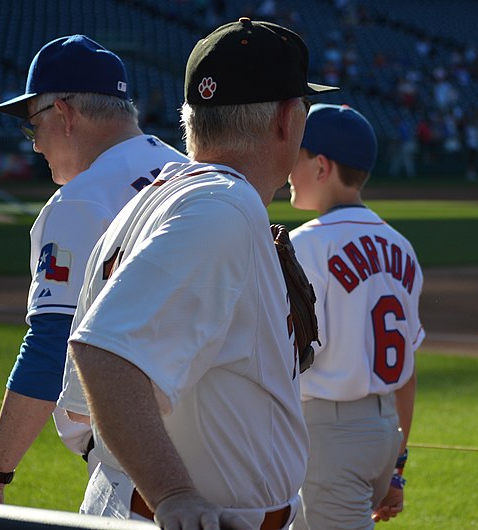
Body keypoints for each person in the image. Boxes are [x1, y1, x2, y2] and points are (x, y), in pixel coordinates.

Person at [57, 17, 339, 529]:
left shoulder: (158, 198)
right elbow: (103, 352)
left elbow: (79, 409)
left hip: (132, 500)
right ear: (287, 120)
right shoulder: (222, 207)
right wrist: (174, 494)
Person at [0, 35, 188, 504]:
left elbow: (51, 345)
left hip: (141, 468)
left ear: (64, 115)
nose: (35, 145)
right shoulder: (189, 169)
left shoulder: (83, 199)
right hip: (235, 453)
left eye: (32, 127)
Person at [286, 104, 425, 529]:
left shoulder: (305, 245)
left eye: (297, 156)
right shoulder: (401, 245)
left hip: (331, 433)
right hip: (385, 430)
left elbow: (281, 356)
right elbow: (406, 372)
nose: (288, 169)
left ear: (322, 166)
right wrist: (397, 464)